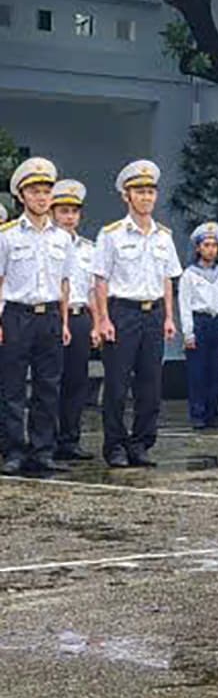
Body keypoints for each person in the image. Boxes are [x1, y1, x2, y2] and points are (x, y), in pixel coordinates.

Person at [93, 160, 182, 469]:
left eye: (150, 192)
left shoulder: (163, 236)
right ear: (126, 197)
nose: (146, 197)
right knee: (117, 384)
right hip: (123, 312)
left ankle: (142, 442)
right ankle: (115, 444)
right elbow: (101, 280)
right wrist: (103, 318)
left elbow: (167, 279)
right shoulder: (112, 234)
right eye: (139, 192)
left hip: (153, 312)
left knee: (150, 384)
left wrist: (169, 317)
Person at [0, 157, 73, 476]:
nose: (41, 197)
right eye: (34, 191)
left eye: (46, 191)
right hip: (17, 315)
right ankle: (14, 451)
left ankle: (42, 451)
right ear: (21, 196)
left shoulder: (62, 238)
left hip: (50, 317)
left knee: (48, 386)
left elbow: (65, 283)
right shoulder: (8, 235)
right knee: (13, 388)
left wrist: (65, 321)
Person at [50, 179, 99, 462]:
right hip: (53, 316)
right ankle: (46, 439)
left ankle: (70, 439)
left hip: (80, 317)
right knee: (49, 382)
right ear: (53, 213)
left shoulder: (88, 248)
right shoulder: (48, 243)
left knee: (76, 382)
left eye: (73, 211)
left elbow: (92, 289)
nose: (69, 217)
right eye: (63, 211)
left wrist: (95, 323)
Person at [179, 222, 218, 431]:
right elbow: (185, 304)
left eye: (214, 245)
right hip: (199, 321)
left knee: (216, 370)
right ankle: (198, 414)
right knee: (198, 371)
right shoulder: (189, 275)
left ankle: (213, 413)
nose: (211, 249)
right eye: (206, 245)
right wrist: (188, 332)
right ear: (198, 248)